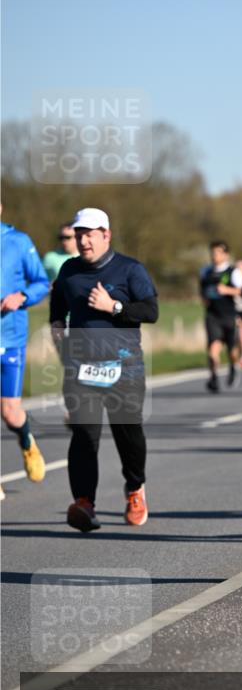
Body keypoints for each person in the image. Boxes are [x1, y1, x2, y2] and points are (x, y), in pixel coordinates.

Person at [50, 207, 159, 532]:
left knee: (128, 435)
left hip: (125, 368)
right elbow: (57, 315)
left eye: (89, 234)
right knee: (84, 434)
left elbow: (151, 311)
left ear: (106, 235)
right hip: (81, 369)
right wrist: (62, 346)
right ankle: (84, 502)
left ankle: (135, 489)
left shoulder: (130, 269)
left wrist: (114, 306)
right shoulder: (69, 271)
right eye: (79, 234)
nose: (83, 241)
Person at [0, 206, 49, 494]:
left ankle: (26, 440)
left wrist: (22, 296)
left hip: (10, 337)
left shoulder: (18, 241)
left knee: (10, 413)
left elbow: (41, 283)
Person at [200, 240, 242, 392]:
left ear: (226, 255)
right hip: (213, 316)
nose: (214, 256)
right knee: (212, 349)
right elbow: (202, 291)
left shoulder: (233, 272)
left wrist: (227, 290)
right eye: (212, 253)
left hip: (230, 315)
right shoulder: (205, 272)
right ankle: (214, 377)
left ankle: (233, 367)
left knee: (232, 351)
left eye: (218, 253)